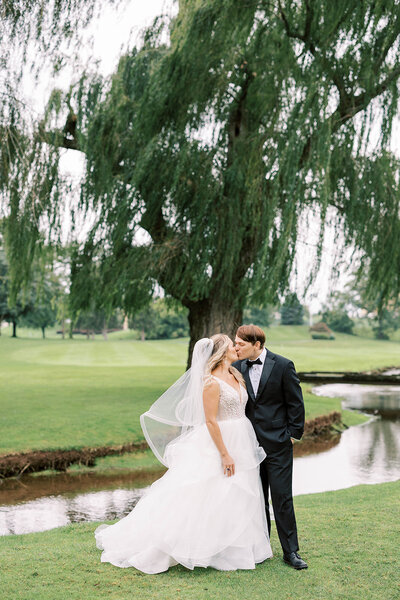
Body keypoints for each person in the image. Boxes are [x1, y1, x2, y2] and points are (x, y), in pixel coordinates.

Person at [95, 334, 272, 573]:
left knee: (236, 493)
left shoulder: (235, 374)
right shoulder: (210, 382)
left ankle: (232, 548)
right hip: (221, 442)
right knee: (207, 493)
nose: (236, 348)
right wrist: (225, 455)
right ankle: (178, 544)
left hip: (242, 439)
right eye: (232, 346)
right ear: (220, 353)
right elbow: (210, 421)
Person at [233, 324, 308, 570]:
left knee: (282, 497)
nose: (236, 347)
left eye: (241, 344)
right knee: (256, 498)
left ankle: (291, 552)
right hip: (247, 445)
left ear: (257, 344)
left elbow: (295, 403)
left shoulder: (284, 365)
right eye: (236, 343)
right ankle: (261, 547)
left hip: (278, 444)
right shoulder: (235, 368)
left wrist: (292, 435)